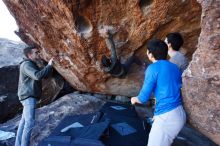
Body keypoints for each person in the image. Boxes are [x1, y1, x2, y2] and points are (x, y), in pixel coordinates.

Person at [131, 39, 186, 146]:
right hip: (179, 112)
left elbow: (143, 97)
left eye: (147, 51)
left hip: (167, 116)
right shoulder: (174, 67)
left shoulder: (152, 68)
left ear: (150, 54)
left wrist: (134, 99)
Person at [15, 46, 54, 146]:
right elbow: (37, 76)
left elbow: (42, 75)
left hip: (28, 96)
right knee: (29, 123)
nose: (38, 54)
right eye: (36, 52)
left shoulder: (31, 64)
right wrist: (49, 65)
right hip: (28, 96)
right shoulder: (26, 64)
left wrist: (49, 68)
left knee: (24, 123)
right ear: (29, 55)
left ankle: (18, 144)